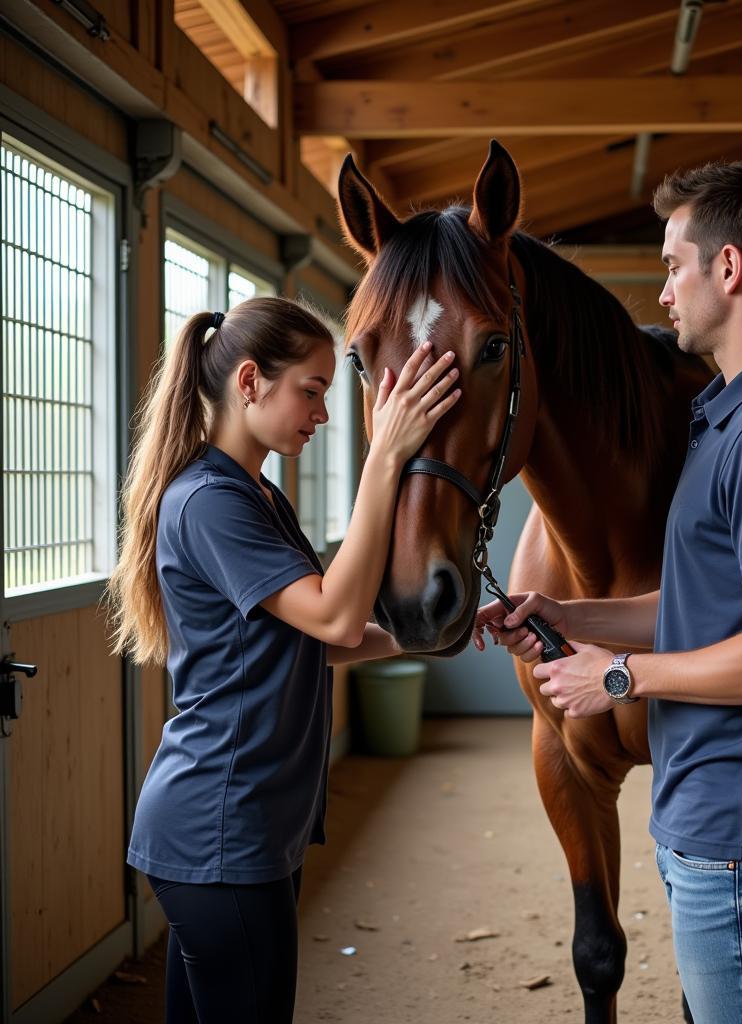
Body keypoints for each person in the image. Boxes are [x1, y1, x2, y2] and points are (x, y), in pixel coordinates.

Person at [475, 161, 742, 1024]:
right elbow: (706, 606)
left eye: (672, 266)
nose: (662, 294)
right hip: (725, 830)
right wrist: (567, 615)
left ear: (728, 269)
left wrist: (616, 677)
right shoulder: (735, 413)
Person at [108, 296, 460, 1023]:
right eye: (312, 389)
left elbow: (324, 639)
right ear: (248, 383)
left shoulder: (257, 495)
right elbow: (335, 609)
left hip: (250, 826)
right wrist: (385, 458)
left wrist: (445, 629)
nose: (323, 413)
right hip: (219, 827)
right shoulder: (210, 501)